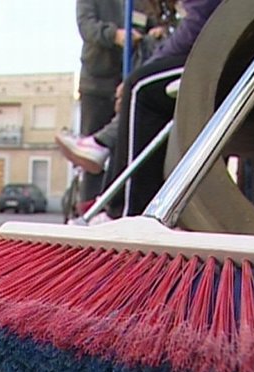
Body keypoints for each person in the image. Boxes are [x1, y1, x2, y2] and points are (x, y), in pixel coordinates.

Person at [57, 0, 221, 219]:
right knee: (136, 97)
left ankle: (122, 211)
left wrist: (155, 37)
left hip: (214, 59)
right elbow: (87, 25)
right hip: (99, 79)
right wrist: (115, 35)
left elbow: (196, 21)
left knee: (140, 90)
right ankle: (104, 187)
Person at [67, 0, 145, 215]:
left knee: (126, 148)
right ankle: (89, 211)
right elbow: (86, 26)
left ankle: (117, 209)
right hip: (97, 83)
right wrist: (114, 35)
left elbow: (149, 22)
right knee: (92, 151)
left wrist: (151, 32)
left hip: (130, 78)